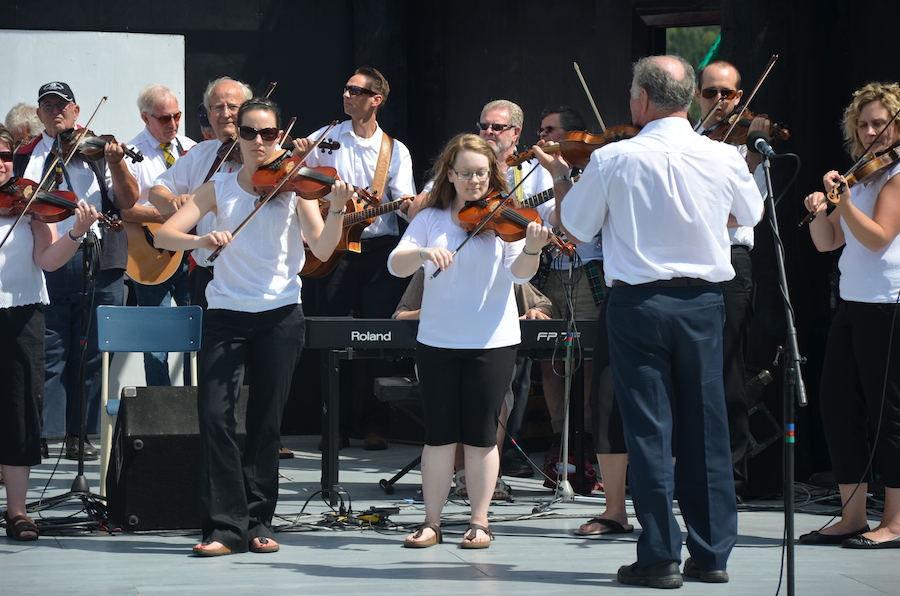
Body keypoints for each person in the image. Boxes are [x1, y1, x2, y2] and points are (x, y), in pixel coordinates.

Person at [535, 55, 763, 587]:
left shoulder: (614, 158)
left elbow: (578, 226)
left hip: (639, 303)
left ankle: (659, 555)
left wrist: (567, 180)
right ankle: (711, 555)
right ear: (686, 100)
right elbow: (747, 215)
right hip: (706, 301)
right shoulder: (723, 155)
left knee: (650, 430)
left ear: (641, 98)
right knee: (706, 430)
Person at [154, 97, 348, 556]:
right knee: (214, 417)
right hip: (226, 315)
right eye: (249, 134)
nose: (259, 142)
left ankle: (259, 521)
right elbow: (164, 234)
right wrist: (201, 238)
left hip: (281, 314)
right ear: (235, 137)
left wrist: (336, 209)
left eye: (268, 134)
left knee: (266, 423)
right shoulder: (217, 189)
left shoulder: (295, 187)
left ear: (280, 137)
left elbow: (321, 248)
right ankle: (224, 526)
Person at [390, 133, 548, 549]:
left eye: (481, 173)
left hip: (492, 341)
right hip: (438, 341)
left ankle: (480, 521)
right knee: (439, 434)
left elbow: (521, 276)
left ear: (491, 174)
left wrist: (531, 248)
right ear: (451, 175)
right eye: (465, 174)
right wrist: (423, 252)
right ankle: (431, 522)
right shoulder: (431, 219)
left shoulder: (503, 222)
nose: (474, 181)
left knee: (480, 433)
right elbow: (396, 264)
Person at [14, 82, 138, 461]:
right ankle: (45, 434)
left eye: (62, 106)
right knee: (47, 351)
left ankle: (80, 433)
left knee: (93, 355)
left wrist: (116, 161)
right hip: (49, 257)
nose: (55, 112)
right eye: (48, 107)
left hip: (100, 258)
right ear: (39, 115)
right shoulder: (24, 156)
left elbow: (128, 200)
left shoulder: (97, 153)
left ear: (76, 111)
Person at [800, 81, 900, 549]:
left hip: (890, 304)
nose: (870, 131)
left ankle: (896, 522)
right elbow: (827, 242)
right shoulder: (863, 176)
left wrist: (840, 201)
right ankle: (853, 514)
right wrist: (822, 210)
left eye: (879, 122)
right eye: (862, 124)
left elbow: (879, 237)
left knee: (889, 415)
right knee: (837, 404)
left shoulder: (897, 175)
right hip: (854, 301)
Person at [302, 66, 416, 451]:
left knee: (377, 337)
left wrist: (417, 210)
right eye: (346, 88)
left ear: (376, 99)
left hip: (378, 251)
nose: (347, 95)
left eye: (356, 90)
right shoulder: (325, 136)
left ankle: (374, 424)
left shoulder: (394, 150)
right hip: (333, 246)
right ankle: (332, 425)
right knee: (330, 336)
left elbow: (404, 204)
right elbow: (301, 180)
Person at [1, 123, 100, 540]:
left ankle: (18, 510)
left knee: (21, 409)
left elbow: (48, 259)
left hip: (22, 313)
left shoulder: (26, 202)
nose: (1, 165)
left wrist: (76, 233)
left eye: (5, 157)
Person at [393, 267, 552, 498]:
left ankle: (491, 476)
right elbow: (400, 315)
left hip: (488, 354)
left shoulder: (500, 263)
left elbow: (542, 303)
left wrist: (536, 311)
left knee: (493, 393)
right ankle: (464, 473)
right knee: (452, 393)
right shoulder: (433, 264)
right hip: (440, 352)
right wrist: (432, 310)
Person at [694, 60, 770, 498]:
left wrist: (754, 156)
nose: (719, 102)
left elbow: (747, 212)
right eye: (710, 93)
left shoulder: (751, 144)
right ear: (697, 96)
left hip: (732, 259)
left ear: (741, 97)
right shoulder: (687, 142)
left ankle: (731, 480)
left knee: (728, 372)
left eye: (728, 94)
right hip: (690, 264)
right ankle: (688, 473)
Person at [149, 76, 251, 310]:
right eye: (217, 107)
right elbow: (157, 190)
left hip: (250, 272)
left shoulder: (263, 152)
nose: (225, 113)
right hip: (206, 273)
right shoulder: (200, 152)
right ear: (208, 112)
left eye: (233, 107)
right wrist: (171, 201)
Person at [123, 84, 196, 386]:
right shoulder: (131, 154)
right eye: (164, 118)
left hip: (192, 254)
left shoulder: (192, 148)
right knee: (156, 344)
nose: (173, 124)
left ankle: (198, 407)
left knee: (200, 334)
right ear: (145, 118)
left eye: (176, 116)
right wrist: (166, 215)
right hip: (154, 255)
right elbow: (124, 209)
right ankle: (159, 417)